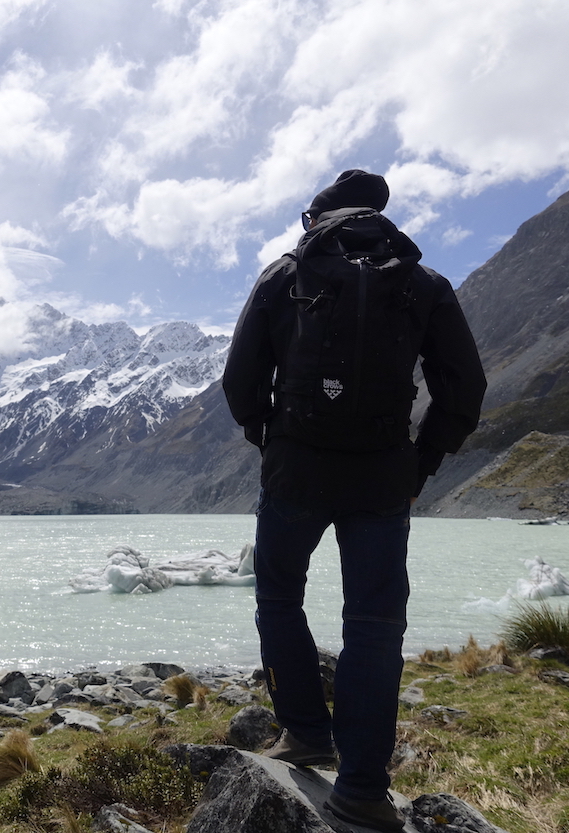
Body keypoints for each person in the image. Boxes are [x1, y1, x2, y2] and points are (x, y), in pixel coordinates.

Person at [222, 170, 486, 831]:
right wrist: (421, 460)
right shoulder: (422, 282)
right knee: (374, 624)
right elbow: (466, 385)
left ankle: (307, 731)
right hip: (382, 478)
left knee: (278, 593)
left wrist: (271, 439)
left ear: (319, 217)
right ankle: (362, 789)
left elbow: (239, 378)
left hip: (295, 473)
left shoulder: (286, 272)